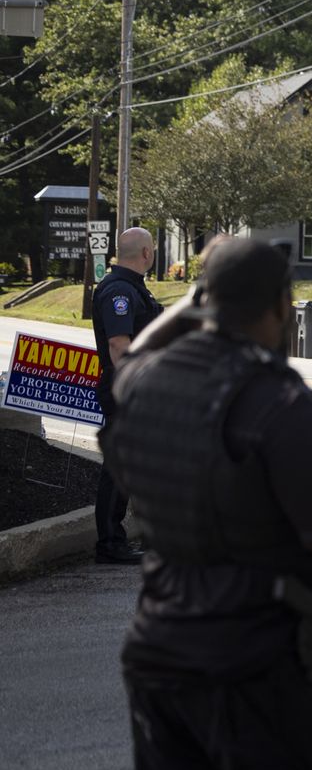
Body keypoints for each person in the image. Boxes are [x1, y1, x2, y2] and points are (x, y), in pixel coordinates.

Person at [101, 237, 312, 770]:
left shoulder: (145, 384)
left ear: (204, 301)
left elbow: (134, 354)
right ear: (282, 307)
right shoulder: (280, 404)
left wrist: (200, 299)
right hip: (262, 676)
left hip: (161, 662)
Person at [91, 226, 162, 564]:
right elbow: (119, 345)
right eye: (154, 249)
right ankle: (109, 543)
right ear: (146, 254)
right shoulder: (118, 291)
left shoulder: (134, 289)